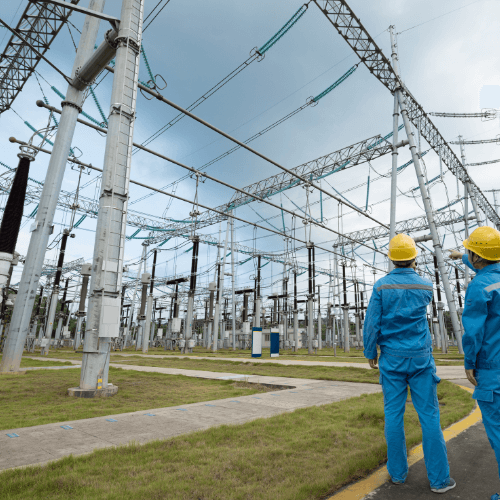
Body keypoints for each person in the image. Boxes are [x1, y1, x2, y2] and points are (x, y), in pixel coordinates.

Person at [364, 233, 455, 493]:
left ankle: (398, 474)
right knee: (429, 416)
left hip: (391, 359)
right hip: (421, 359)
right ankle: (439, 480)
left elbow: (372, 321)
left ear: (392, 259)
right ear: (414, 257)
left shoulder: (381, 286)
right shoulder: (426, 287)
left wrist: (370, 350)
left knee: (393, 415)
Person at [451, 226, 500, 500]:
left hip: (493, 371)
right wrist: (461, 256)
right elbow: (485, 261)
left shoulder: (480, 286)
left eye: (470, 252)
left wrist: (469, 361)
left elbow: (474, 330)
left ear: (477, 257)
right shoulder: (492, 275)